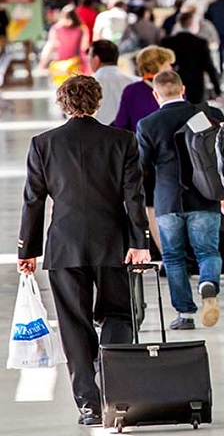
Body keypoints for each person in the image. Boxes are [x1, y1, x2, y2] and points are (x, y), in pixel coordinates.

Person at [17, 75, 150, 426]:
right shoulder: (122, 140)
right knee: (119, 315)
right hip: (113, 242)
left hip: (64, 245)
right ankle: (115, 392)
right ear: (98, 102)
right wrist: (139, 242)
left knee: (74, 324)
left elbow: (33, 200)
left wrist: (26, 249)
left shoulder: (43, 144)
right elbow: (133, 197)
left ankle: (89, 406)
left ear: (62, 104)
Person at [137, 70, 224, 330]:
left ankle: (185, 314)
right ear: (182, 89)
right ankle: (208, 282)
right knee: (207, 251)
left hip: (167, 199)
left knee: (173, 257)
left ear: (155, 94)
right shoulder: (211, 116)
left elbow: (143, 164)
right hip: (205, 195)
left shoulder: (147, 124)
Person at [114, 45, 176, 256]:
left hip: (143, 158)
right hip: (172, 157)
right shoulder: (172, 89)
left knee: (150, 205)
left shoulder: (132, 91)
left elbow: (121, 123)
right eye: (167, 63)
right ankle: (178, 253)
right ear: (158, 64)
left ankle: (166, 253)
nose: (171, 67)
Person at [160, 11, 221, 104]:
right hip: (196, 85)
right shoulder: (200, 43)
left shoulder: (167, 42)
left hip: (174, 84)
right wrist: (217, 89)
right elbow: (209, 67)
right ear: (192, 24)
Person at [39, 4, 90, 87]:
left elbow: (50, 46)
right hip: (79, 65)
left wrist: (43, 64)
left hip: (61, 65)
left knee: (62, 91)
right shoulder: (82, 29)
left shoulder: (56, 28)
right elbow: (84, 46)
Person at [89, 40, 137, 125]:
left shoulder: (86, 85)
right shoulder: (136, 82)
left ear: (96, 59)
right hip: (130, 135)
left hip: (98, 134)